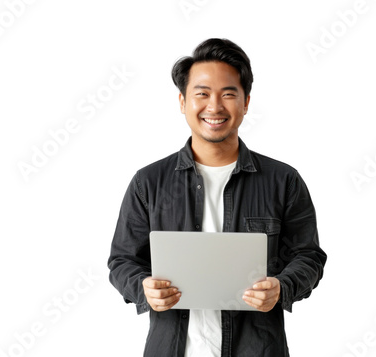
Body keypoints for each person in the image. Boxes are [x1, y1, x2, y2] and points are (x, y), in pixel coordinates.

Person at [107, 38, 327, 357]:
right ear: (182, 101)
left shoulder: (283, 180)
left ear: (246, 102)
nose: (214, 107)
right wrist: (143, 288)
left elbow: (309, 256)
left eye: (228, 94)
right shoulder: (149, 182)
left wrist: (281, 288)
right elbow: (122, 260)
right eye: (202, 94)